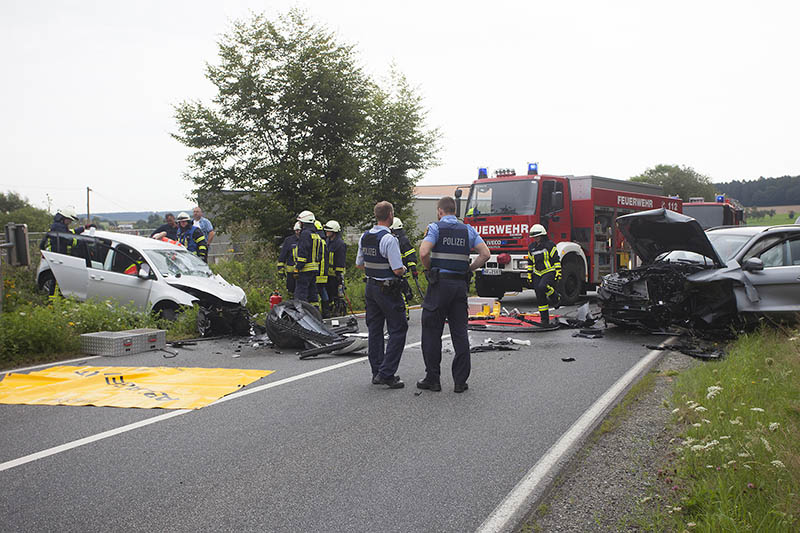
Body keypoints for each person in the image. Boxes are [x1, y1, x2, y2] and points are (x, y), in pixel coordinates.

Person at [418, 196, 490, 393]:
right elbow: (486, 253)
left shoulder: (435, 228)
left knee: (432, 332)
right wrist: (470, 269)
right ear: (455, 210)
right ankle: (460, 382)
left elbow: (424, 252)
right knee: (459, 333)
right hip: (459, 286)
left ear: (440, 211)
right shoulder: (467, 229)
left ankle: (433, 379)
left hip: (439, 285)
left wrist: (429, 269)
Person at [355, 201, 408, 389]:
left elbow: (360, 264)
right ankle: (387, 373)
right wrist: (404, 268)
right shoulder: (389, 239)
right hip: (387, 289)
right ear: (390, 215)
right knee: (398, 329)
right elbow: (396, 269)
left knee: (375, 330)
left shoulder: (365, 237)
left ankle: (377, 371)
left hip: (371, 287)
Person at [526, 224, 561, 325]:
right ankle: (544, 320)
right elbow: (530, 262)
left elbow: (555, 259)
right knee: (540, 296)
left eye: (537, 236)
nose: (536, 238)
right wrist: (529, 274)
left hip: (549, 271)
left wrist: (558, 271)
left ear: (542, 235)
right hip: (537, 273)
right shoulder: (531, 247)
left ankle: (555, 297)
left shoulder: (550, 245)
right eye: (534, 237)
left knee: (542, 286)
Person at [389, 216, 419, 318]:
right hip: (396, 270)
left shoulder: (402, 240)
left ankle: (403, 315)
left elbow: (410, 255)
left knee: (402, 293)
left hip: (401, 271)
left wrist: (413, 268)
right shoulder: (393, 239)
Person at [294, 210, 322, 307]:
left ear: (303, 223)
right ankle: (315, 314)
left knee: (301, 295)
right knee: (313, 295)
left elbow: (303, 253)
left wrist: (298, 268)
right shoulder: (316, 235)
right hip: (314, 269)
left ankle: (301, 317)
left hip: (305, 269)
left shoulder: (305, 234)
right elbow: (320, 254)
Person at [324, 220, 347, 316]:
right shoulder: (328, 241)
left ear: (334, 231)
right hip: (327, 274)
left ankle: (337, 310)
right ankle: (329, 310)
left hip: (335, 275)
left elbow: (340, 261)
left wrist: (339, 274)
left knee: (336, 294)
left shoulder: (340, 244)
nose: (326, 232)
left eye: (328, 230)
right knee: (328, 293)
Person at [277, 221, 302, 298]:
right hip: (291, 273)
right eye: (296, 231)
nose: (298, 232)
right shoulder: (289, 240)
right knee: (291, 292)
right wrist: (280, 269)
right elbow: (283, 255)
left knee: (302, 292)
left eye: (299, 231)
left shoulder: (306, 240)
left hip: (302, 272)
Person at [314, 219, 330, 315]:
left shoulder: (317, 241)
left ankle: (319, 311)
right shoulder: (324, 241)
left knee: (316, 291)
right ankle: (326, 311)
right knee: (322, 290)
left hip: (318, 271)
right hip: (323, 272)